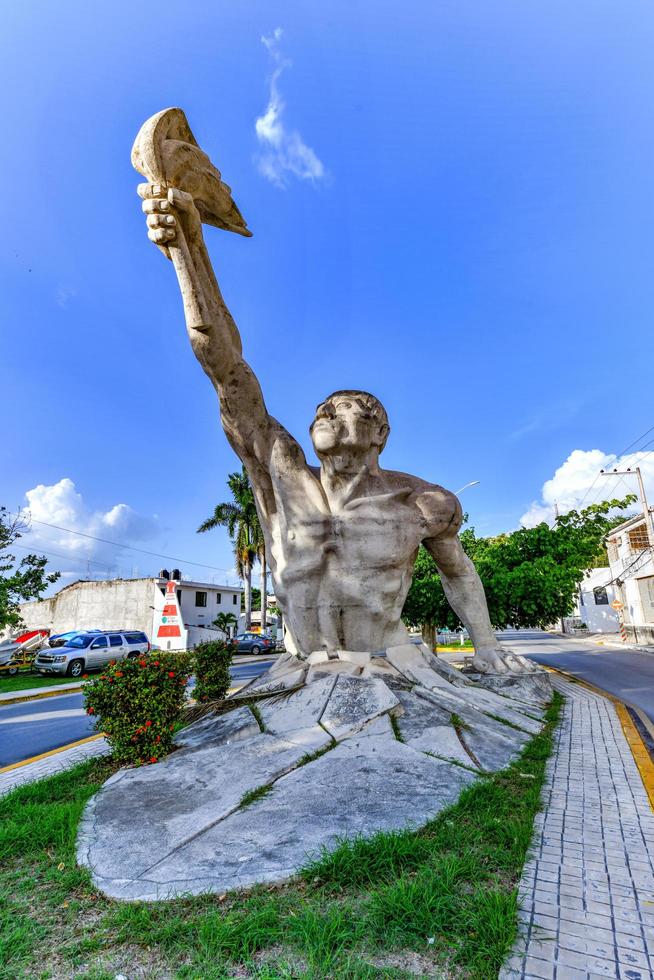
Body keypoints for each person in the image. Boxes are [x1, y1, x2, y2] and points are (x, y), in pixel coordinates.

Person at [139, 181, 527, 673]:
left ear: (379, 433)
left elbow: (459, 574)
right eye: (323, 408)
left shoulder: (424, 503)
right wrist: (187, 250)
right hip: (303, 670)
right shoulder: (282, 476)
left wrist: (486, 645)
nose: (326, 413)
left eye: (347, 408)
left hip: (391, 663)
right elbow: (223, 364)